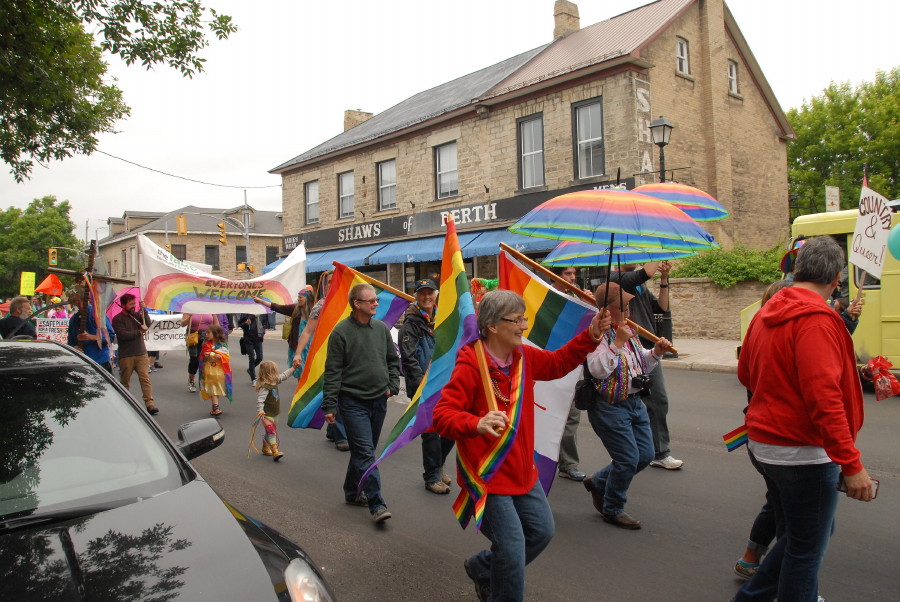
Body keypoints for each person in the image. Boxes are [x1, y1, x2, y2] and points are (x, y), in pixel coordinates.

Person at [433, 290, 610, 602]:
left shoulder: (524, 357)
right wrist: (476, 423)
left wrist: (592, 333)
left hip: (521, 469)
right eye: (516, 320)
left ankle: (482, 566)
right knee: (512, 547)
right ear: (492, 326)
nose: (523, 326)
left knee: (542, 532)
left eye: (523, 319)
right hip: (488, 476)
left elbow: (558, 363)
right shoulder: (471, 365)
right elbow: (443, 416)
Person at [732, 236, 873, 602]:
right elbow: (825, 400)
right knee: (806, 548)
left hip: (767, 445)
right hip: (802, 452)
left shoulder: (767, 313)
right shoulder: (816, 320)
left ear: (797, 269)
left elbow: (746, 374)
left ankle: (750, 597)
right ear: (837, 278)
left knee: (800, 535)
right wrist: (851, 463)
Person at [582, 282, 673, 530]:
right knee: (627, 459)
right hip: (609, 405)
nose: (631, 308)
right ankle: (612, 507)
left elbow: (638, 363)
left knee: (645, 455)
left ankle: (599, 481)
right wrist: (617, 343)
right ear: (609, 309)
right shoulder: (596, 333)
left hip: (634, 402)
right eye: (626, 304)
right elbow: (597, 371)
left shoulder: (627, 329)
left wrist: (655, 352)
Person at [322, 282, 400, 523]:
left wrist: (393, 386)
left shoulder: (381, 329)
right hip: (352, 402)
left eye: (376, 300)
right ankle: (376, 503)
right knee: (366, 454)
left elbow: (392, 360)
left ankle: (350, 491)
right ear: (357, 304)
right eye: (371, 300)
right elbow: (333, 370)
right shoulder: (341, 332)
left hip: (379, 400)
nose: (376, 303)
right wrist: (330, 405)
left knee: (363, 452)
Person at [609, 260, 683, 470]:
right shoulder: (617, 279)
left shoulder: (640, 286)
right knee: (625, 403)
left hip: (648, 351)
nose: (639, 257)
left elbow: (662, 307)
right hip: (627, 349)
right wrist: (655, 252)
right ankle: (628, 452)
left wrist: (665, 279)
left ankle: (659, 452)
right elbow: (645, 273)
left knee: (657, 401)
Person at [399, 278, 454, 494]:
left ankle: (438, 464)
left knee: (451, 427)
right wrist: (423, 383)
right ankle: (431, 477)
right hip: (424, 387)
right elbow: (409, 358)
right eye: (422, 293)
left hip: (446, 384)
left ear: (436, 294)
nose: (427, 297)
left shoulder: (443, 318)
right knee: (430, 432)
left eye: (430, 293)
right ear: (416, 296)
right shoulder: (411, 324)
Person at [294, 271, 349, 451]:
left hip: (348, 356)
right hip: (327, 358)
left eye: (335, 282)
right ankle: (341, 434)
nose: (330, 285)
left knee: (343, 393)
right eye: (328, 282)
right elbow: (308, 331)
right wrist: (298, 354)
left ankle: (334, 430)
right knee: (336, 392)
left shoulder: (349, 303)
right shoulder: (320, 306)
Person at [550, 265, 589, 481]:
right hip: (551, 365)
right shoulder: (548, 296)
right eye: (568, 274)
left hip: (573, 366)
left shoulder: (577, 297)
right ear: (557, 276)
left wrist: (588, 305)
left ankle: (568, 464)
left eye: (574, 274)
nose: (573, 278)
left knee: (572, 417)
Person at [112, 293, 158, 415]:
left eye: (134, 303)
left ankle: (150, 403)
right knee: (125, 380)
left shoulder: (138, 315)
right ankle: (124, 402)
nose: (133, 306)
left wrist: (144, 310)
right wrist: (139, 332)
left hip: (141, 353)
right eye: (131, 304)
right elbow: (123, 335)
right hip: (126, 355)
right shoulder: (117, 319)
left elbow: (147, 324)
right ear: (123, 305)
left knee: (145, 378)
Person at [254, 287, 311, 378]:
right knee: (300, 373)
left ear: (308, 298)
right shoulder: (295, 308)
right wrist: (261, 302)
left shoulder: (315, 311)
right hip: (296, 346)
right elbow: (278, 307)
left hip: (310, 346)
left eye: (301, 297)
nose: (299, 299)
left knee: (309, 373)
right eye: (298, 297)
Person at [253, 360, 294, 461]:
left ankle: (265, 448)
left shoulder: (274, 381)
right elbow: (260, 400)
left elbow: (284, 375)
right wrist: (260, 412)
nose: (277, 373)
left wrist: (293, 368)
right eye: (275, 371)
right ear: (270, 372)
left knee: (269, 432)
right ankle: (275, 451)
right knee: (271, 432)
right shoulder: (265, 387)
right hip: (267, 414)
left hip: (275, 413)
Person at [66, 290, 115, 372]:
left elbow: (110, 337)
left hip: (100, 362)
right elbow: (70, 343)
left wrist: (91, 337)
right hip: (82, 363)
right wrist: (75, 349)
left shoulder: (97, 314)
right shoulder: (73, 319)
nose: (72, 305)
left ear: (79, 298)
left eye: (74, 301)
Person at [200, 323, 232, 416]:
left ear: (215, 334)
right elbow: (204, 355)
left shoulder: (222, 346)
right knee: (213, 388)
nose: (206, 334)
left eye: (208, 333)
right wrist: (212, 355)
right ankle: (216, 407)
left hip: (219, 371)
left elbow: (226, 356)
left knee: (215, 388)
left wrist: (217, 355)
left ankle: (215, 407)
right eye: (206, 333)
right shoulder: (206, 345)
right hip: (210, 370)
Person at [181, 313, 218, 392]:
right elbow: (182, 324)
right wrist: (189, 318)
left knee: (206, 359)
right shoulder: (190, 309)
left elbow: (217, 324)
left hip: (207, 336)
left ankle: (204, 381)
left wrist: (216, 336)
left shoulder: (210, 308)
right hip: (193, 336)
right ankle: (191, 379)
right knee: (194, 358)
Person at [239, 312, 266, 385]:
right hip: (248, 339)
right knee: (251, 357)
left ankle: (250, 370)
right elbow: (240, 324)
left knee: (260, 357)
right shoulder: (245, 313)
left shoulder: (261, 312)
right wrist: (246, 324)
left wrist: (263, 333)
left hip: (258, 338)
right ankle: (253, 378)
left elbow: (264, 324)